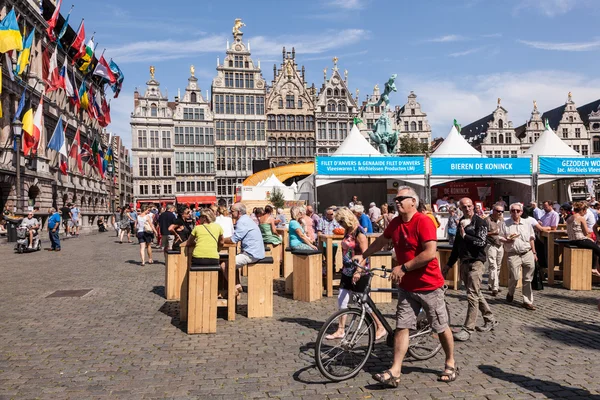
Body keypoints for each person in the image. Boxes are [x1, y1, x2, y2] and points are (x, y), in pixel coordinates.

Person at [356, 185, 457, 386]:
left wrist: (403, 267)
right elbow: (381, 241)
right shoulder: (395, 223)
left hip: (429, 285)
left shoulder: (424, 222)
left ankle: (450, 362)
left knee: (440, 326)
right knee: (402, 326)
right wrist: (364, 256)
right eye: (396, 199)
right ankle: (395, 371)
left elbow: (429, 253)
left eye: (401, 198)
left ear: (413, 201)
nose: (397, 201)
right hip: (407, 287)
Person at [325, 207, 386, 341]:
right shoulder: (348, 230)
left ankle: (380, 326)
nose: (340, 224)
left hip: (359, 271)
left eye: (341, 221)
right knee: (342, 299)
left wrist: (359, 271)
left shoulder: (359, 232)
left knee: (365, 303)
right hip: (347, 270)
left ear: (347, 219)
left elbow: (365, 254)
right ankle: (340, 330)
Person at [444, 198, 497, 342]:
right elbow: (456, 246)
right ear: (460, 208)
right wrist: (449, 264)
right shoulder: (461, 221)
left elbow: (481, 242)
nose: (467, 209)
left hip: (477, 262)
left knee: (472, 295)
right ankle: (490, 318)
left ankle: (468, 329)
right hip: (464, 262)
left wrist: (465, 236)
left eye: (469, 206)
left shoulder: (480, 222)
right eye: (464, 207)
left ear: (473, 206)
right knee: (476, 293)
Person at [500, 202, 537, 310]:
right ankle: (510, 292)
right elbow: (499, 237)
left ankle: (527, 301)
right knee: (515, 277)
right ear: (510, 212)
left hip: (527, 253)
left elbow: (531, 239)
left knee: (527, 279)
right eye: (512, 210)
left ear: (521, 212)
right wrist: (506, 239)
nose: (515, 212)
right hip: (513, 254)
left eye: (517, 210)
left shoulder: (527, 223)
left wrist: (534, 253)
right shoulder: (505, 223)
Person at [222, 203, 266, 286]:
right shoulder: (246, 219)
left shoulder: (242, 221)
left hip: (251, 254)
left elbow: (233, 240)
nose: (230, 213)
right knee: (233, 262)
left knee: (225, 265)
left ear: (238, 212)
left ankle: (233, 288)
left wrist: (221, 240)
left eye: (232, 211)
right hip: (256, 252)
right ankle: (237, 285)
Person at [566, 202, 600, 277]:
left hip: (572, 241)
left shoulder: (569, 218)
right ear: (583, 210)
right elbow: (586, 232)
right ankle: (594, 268)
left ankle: (593, 267)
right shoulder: (581, 218)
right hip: (580, 240)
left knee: (593, 246)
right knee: (598, 250)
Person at [486, 203, 505, 296]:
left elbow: (504, 232)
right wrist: (492, 233)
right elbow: (482, 233)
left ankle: (491, 284)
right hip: (491, 245)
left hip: (500, 245)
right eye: (498, 211)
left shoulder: (502, 220)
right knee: (493, 266)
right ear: (493, 211)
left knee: (498, 266)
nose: (500, 213)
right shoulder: (487, 220)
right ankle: (495, 287)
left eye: (502, 211)